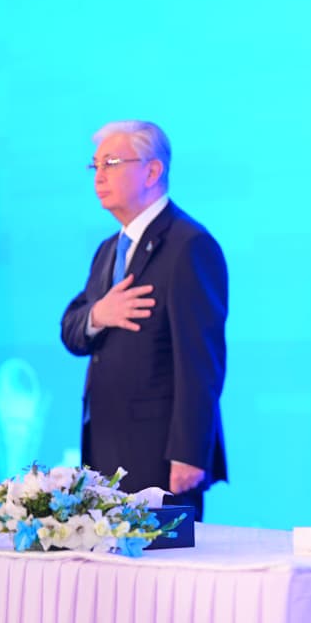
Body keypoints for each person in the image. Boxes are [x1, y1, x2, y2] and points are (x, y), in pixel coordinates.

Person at [61, 120, 228, 521]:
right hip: (105, 448)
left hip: (160, 455)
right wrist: (98, 315)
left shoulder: (188, 245)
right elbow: (71, 330)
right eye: (95, 165)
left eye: (111, 163)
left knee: (162, 561)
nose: (99, 176)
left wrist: (189, 452)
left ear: (152, 171)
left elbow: (201, 362)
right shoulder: (109, 250)